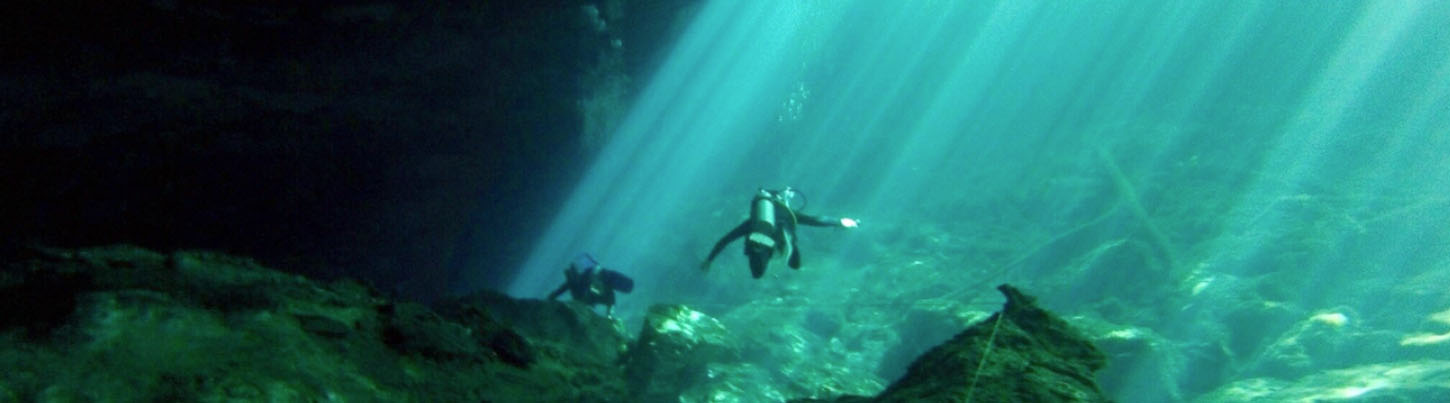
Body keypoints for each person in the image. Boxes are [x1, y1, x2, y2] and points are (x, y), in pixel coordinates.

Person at [701, 187, 858, 278]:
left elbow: (725, 240)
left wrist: (709, 259)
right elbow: (816, 220)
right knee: (795, 265)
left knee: (757, 274)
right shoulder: (789, 214)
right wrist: (839, 221)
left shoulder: (753, 222)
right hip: (783, 241)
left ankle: (762, 244)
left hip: (759, 242)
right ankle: (776, 243)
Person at [547, 253, 634, 317]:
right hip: (587, 298)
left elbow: (609, 300)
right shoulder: (583, 279)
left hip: (587, 298)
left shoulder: (584, 279)